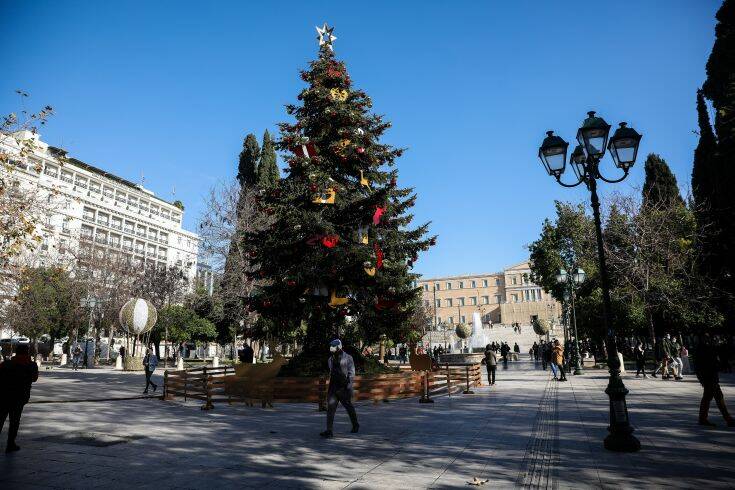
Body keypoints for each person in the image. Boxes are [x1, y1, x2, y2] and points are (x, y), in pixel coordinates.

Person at [0, 343, 39, 453]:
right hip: (19, 397)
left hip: (3, 396)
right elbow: (34, 379)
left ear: (16, 352)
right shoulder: (32, 365)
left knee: (0, 419)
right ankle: (10, 444)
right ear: (27, 352)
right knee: (15, 421)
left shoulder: (6, 364)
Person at [320, 339, 358, 438]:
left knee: (348, 406)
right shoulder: (330, 359)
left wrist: (348, 385)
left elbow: (351, 372)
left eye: (334, 346)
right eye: (331, 346)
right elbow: (331, 372)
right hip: (333, 387)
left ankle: (355, 424)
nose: (331, 348)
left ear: (339, 347)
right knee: (331, 408)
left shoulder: (348, 358)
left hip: (343, 387)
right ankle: (329, 430)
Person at [695, 333, 734, 427]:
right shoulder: (703, 349)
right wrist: (702, 379)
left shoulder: (707, 347)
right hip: (709, 377)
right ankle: (704, 419)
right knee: (710, 398)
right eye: (706, 337)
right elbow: (699, 366)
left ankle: (727, 419)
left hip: (711, 377)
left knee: (717, 397)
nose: (708, 339)